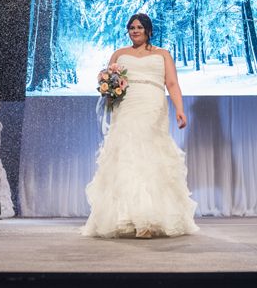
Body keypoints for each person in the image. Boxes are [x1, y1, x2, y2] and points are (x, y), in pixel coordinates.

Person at [82, 13, 198, 238]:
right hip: (126, 105)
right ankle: (129, 218)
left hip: (153, 104)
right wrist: (109, 91)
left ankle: (150, 219)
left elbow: (172, 83)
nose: (135, 31)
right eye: (131, 27)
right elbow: (109, 81)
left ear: (148, 30)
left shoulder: (162, 54)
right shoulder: (119, 54)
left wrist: (180, 110)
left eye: (139, 27)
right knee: (126, 154)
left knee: (150, 153)